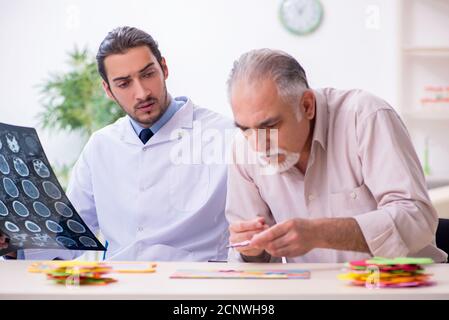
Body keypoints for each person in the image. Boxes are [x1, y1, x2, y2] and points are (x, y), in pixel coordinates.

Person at [1, 26, 233, 261]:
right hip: (119, 288)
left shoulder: (226, 136)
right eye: (124, 83)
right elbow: (71, 239)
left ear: (164, 68)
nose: (142, 93)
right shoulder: (100, 146)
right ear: (108, 90)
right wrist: (13, 246)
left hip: (197, 286)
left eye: (148, 74)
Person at [225, 48, 447, 263]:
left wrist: (320, 233)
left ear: (307, 105)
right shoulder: (242, 149)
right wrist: (250, 250)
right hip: (317, 291)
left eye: (270, 125)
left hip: (406, 287)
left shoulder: (365, 117)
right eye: (244, 128)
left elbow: (417, 220)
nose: (257, 145)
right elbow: (250, 262)